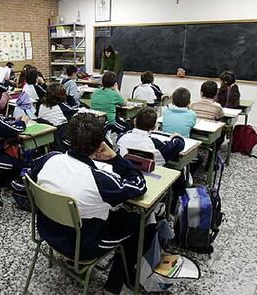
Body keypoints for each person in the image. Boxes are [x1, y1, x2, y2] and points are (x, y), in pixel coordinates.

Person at [30, 113, 147, 294]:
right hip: (83, 247)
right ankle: (115, 283)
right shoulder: (100, 181)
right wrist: (116, 158)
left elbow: (30, 172)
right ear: (101, 143)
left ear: (69, 139)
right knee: (139, 221)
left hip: (47, 231)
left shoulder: (49, 158)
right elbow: (139, 185)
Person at [117, 107, 185, 166]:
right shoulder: (156, 144)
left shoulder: (121, 137)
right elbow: (179, 145)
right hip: (149, 175)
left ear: (135, 121)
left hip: (124, 173)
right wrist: (176, 137)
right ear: (154, 127)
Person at [38, 83, 78, 151]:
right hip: (61, 134)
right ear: (61, 95)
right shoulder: (60, 106)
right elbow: (74, 111)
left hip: (47, 134)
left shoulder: (42, 105)